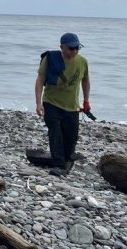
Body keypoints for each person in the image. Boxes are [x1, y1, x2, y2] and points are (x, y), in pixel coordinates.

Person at [32, 33, 91, 176]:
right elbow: (40, 80)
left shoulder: (83, 62)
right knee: (55, 133)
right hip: (51, 103)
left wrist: (86, 101)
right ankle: (59, 165)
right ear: (62, 47)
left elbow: (85, 81)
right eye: (71, 48)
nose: (74, 51)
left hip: (72, 106)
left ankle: (65, 159)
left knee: (71, 137)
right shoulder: (50, 59)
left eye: (77, 48)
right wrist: (38, 103)